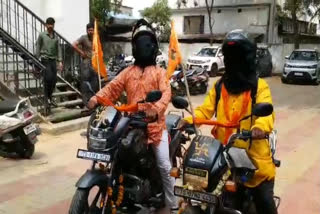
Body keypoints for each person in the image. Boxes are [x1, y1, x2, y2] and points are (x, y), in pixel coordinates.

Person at [87, 19, 178, 212]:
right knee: (115, 155)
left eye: (147, 43)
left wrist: (156, 108)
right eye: (140, 43)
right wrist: (96, 98)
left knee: (163, 164)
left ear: (152, 46)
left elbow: (166, 94)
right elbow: (112, 88)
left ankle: (172, 205)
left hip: (154, 128)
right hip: (130, 124)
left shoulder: (160, 73)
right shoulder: (128, 72)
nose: (143, 47)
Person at [184, 29, 277, 214]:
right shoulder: (220, 86)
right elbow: (205, 110)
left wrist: (259, 126)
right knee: (203, 190)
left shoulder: (259, 86)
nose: (234, 62)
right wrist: (189, 120)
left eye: (238, 57)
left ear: (248, 58)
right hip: (221, 155)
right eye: (230, 57)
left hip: (252, 157)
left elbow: (267, 113)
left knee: (264, 200)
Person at [36, 17, 63, 112]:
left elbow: (59, 49)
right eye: (49, 24)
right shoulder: (42, 35)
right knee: (48, 78)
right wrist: (36, 59)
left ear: (54, 25)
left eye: (52, 24)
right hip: (45, 59)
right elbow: (38, 46)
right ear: (46, 25)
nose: (51, 26)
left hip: (53, 61)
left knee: (54, 80)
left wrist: (60, 61)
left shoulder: (56, 37)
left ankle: (49, 97)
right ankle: (47, 98)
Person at [72, 23, 99, 105]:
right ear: (87, 31)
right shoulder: (83, 38)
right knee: (85, 83)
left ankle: (92, 102)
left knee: (94, 83)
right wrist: (81, 52)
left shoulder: (96, 38)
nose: (91, 32)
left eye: (92, 30)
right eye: (89, 30)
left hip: (94, 63)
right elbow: (74, 44)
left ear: (94, 30)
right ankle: (85, 103)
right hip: (86, 63)